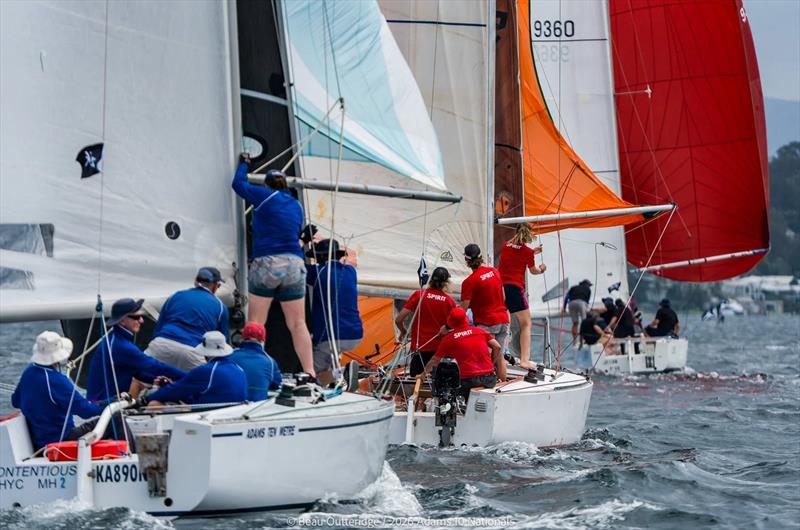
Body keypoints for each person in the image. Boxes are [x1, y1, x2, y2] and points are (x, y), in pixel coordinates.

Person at [231, 152, 315, 377]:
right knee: (298, 323)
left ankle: (254, 370)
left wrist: (244, 164)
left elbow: (237, 184)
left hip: (268, 261)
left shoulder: (265, 196)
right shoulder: (296, 206)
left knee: (257, 322)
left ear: (267, 185)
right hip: (295, 264)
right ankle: (310, 371)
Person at [12, 331, 107, 450]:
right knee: (116, 419)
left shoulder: (29, 372)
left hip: (39, 442)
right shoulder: (57, 381)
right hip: (61, 441)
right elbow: (85, 411)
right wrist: (109, 404)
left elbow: (15, 401)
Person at [87, 298, 186, 403]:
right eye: (136, 317)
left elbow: (137, 372)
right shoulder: (122, 346)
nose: (141, 320)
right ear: (122, 321)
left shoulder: (116, 338)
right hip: (103, 408)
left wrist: (155, 380)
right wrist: (189, 376)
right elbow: (155, 366)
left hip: (108, 402)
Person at [145, 266, 230, 371]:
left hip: (163, 344)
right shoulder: (221, 307)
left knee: (138, 381)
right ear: (216, 285)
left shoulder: (176, 296)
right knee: (199, 386)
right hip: (194, 351)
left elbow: (158, 328)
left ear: (195, 280)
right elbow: (222, 344)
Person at [416, 307, 506, 403]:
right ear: (466, 319)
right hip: (489, 379)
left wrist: (423, 375)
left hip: (468, 382)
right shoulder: (480, 331)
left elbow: (435, 360)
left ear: (450, 322)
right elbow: (497, 347)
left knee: (449, 394)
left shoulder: (448, 339)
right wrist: (491, 365)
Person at [306, 238, 363, 385]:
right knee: (326, 367)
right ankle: (334, 382)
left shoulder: (319, 272)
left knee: (310, 372)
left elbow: (294, 267)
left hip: (330, 336)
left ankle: (344, 372)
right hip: (355, 334)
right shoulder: (351, 271)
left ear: (321, 257)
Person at [144, 331, 247, 408]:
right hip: (230, 414)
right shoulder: (239, 369)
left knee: (154, 404)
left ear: (206, 352)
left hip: (208, 417)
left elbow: (175, 390)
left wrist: (145, 399)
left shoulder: (207, 371)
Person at [497, 224, 546, 369]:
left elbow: (517, 253)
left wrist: (532, 253)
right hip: (514, 289)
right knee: (526, 324)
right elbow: (533, 271)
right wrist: (542, 269)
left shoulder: (505, 245)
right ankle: (525, 360)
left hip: (501, 288)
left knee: (506, 325)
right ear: (529, 235)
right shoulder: (527, 252)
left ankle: (502, 357)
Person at [395, 267, 456, 376]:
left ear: (431, 279)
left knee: (415, 382)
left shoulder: (418, 295)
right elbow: (454, 326)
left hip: (419, 347)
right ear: (446, 283)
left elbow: (399, 319)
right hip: (438, 350)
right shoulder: (449, 301)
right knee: (435, 383)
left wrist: (403, 332)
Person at [460, 244, 510, 349]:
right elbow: (504, 296)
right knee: (499, 358)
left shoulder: (469, 282)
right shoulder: (494, 271)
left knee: (485, 360)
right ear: (481, 257)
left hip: (487, 323)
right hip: (503, 320)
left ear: (466, 260)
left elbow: (462, 310)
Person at [229, 322, 281, 401]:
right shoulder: (270, 362)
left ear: (242, 338)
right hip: (256, 409)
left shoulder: (230, 356)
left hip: (231, 407)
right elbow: (276, 384)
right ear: (263, 340)